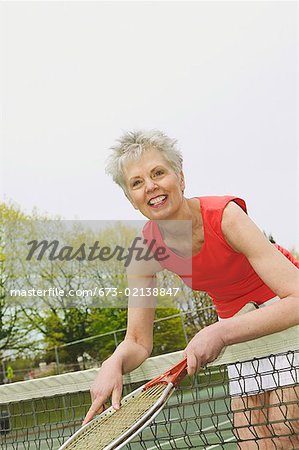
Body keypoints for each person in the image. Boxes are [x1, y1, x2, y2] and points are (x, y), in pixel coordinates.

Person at [84, 130, 299, 449]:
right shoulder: (144, 252)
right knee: (254, 443)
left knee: (285, 436)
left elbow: (295, 298)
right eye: (137, 182)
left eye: (158, 173)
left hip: (285, 321)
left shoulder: (225, 216)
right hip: (238, 333)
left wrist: (221, 333)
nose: (151, 186)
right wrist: (112, 363)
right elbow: (138, 342)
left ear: (180, 178)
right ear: (132, 199)